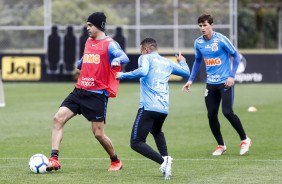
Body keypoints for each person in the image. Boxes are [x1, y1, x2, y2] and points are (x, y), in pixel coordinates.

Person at [46, 12, 129, 172]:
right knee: (58, 119)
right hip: (79, 91)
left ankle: (116, 161)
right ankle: (54, 159)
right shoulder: (88, 41)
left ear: (100, 25)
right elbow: (88, 57)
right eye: (87, 26)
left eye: (90, 25)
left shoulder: (110, 43)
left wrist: (117, 60)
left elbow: (124, 56)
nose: (88, 28)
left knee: (98, 134)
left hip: (96, 95)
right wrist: (81, 61)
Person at [116, 38, 190, 180]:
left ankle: (164, 161)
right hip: (163, 108)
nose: (141, 52)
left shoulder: (145, 57)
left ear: (146, 49)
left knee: (136, 142)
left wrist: (123, 75)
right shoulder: (167, 62)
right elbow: (186, 73)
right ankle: (166, 161)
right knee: (156, 131)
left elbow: (143, 71)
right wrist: (182, 60)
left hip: (149, 107)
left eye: (141, 50)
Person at [182, 14, 251, 156]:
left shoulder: (221, 39)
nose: (202, 28)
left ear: (211, 25)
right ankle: (221, 145)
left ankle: (245, 140)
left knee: (227, 112)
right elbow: (197, 60)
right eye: (200, 26)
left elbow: (236, 56)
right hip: (211, 83)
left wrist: (232, 76)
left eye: (205, 25)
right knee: (211, 115)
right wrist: (190, 79)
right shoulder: (198, 43)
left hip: (225, 82)